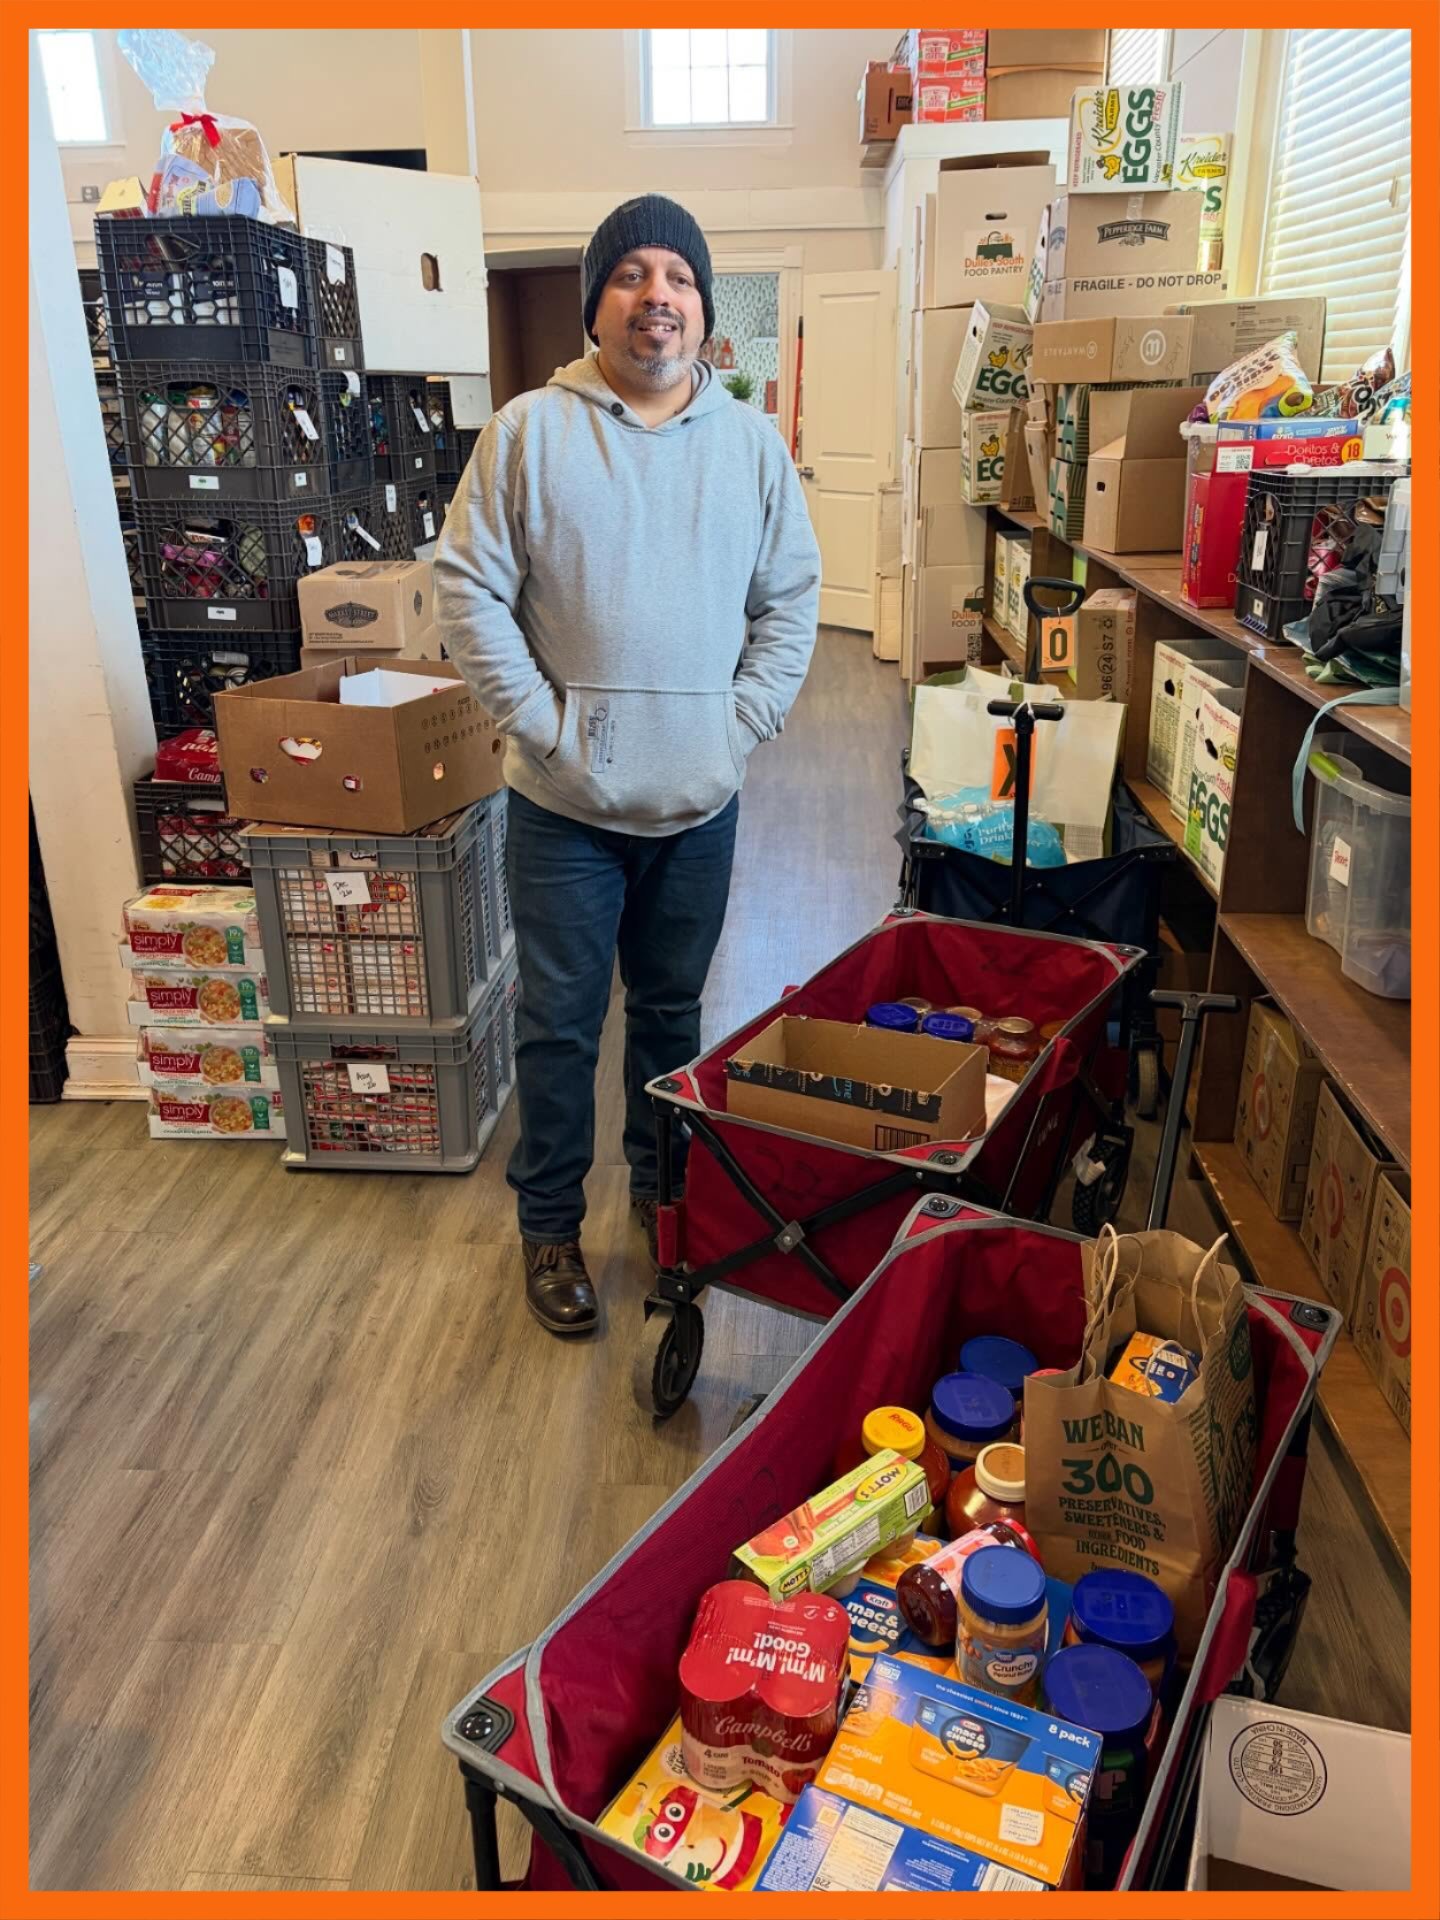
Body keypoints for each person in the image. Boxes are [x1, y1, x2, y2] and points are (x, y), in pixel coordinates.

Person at [435, 194, 821, 1338]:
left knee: (669, 1018)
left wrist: (738, 724)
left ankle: (668, 1217)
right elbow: (465, 586)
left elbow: (790, 601)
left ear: (702, 308)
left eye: (680, 279)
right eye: (633, 275)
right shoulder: (526, 434)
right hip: (562, 807)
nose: (659, 296)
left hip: (698, 804)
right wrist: (542, 724)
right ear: (596, 301)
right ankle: (548, 1227)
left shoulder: (752, 446)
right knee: (557, 1023)